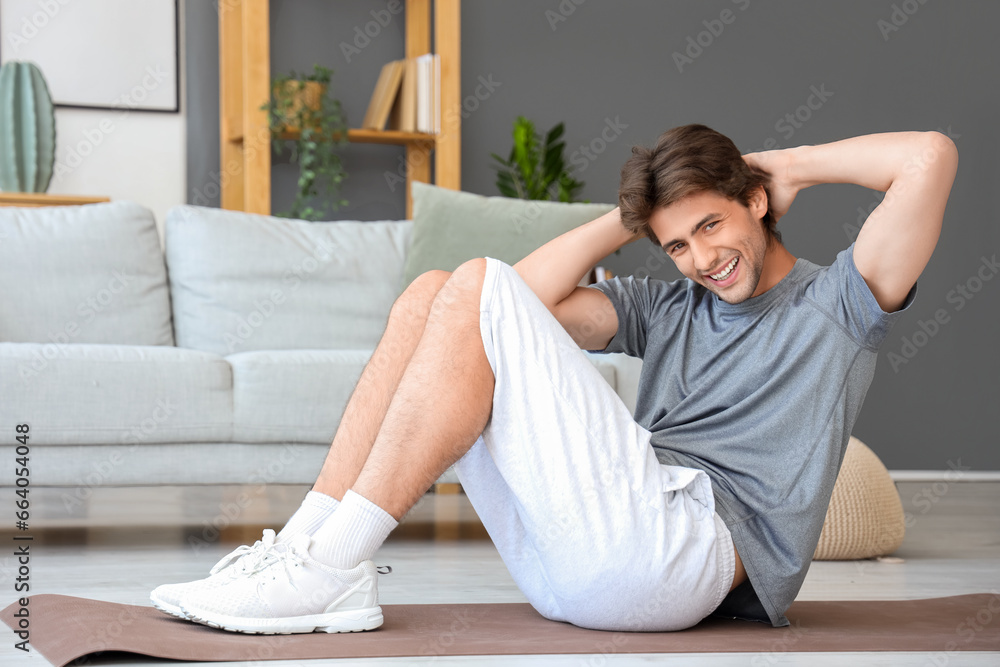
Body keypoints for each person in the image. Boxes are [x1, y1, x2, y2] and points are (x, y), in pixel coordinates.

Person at [150, 124, 958, 634]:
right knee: (435, 293)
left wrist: (782, 162)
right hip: (582, 565)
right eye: (677, 244)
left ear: (757, 203)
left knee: (469, 284)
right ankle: (311, 549)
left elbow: (930, 156)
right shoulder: (671, 305)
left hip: (682, 557)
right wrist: (634, 216)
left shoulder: (838, 303)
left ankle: (330, 565)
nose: (703, 260)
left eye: (713, 224)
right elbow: (503, 304)